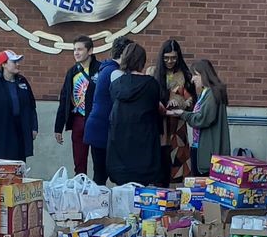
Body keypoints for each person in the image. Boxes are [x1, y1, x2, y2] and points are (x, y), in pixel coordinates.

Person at [107, 42, 163, 186]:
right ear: (142, 61)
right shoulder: (151, 84)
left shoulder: (116, 84)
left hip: (119, 145)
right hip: (144, 146)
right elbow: (155, 108)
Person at [84, 37, 132, 185]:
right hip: (104, 128)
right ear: (124, 53)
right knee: (103, 174)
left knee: (99, 173)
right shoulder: (115, 73)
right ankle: (97, 204)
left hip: (96, 125)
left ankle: (95, 204)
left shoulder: (105, 69)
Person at [173, 59, 232, 175]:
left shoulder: (212, 94)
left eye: (195, 75)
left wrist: (183, 114)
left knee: (202, 184)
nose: (192, 79)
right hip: (200, 146)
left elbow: (202, 119)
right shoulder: (206, 93)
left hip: (207, 149)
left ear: (204, 75)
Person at [0, 50, 38, 162]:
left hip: (21, 127)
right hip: (1, 129)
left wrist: (34, 127)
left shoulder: (22, 81)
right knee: (2, 162)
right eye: (14, 62)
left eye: (18, 61)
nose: (18, 64)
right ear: (4, 64)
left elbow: (31, 107)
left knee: (19, 162)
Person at [53, 36, 98, 176]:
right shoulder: (72, 72)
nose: (76, 53)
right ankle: (80, 185)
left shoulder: (101, 69)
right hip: (78, 119)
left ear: (90, 51)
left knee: (99, 160)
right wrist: (58, 127)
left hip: (96, 120)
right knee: (79, 160)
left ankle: (98, 186)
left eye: (80, 49)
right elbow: (64, 99)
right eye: (74, 50)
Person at [154, 39, 195, 184]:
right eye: (166, 58)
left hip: (178, 126)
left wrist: (179, 102)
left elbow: (191, 102)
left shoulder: (184, 74)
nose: (170, 61)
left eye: (173, 57)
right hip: (159, 124)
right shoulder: (153, 72)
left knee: (179, 163)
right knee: (159, 164)